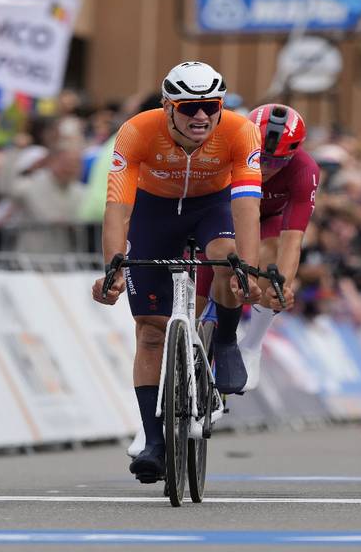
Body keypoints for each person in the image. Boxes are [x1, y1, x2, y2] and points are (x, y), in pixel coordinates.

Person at [91, 61, 263, 484]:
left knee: (226, 255)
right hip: (155, 213)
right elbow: (117, 207)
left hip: (213, 208)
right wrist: (113, 265)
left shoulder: (241, 132)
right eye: (189, 108)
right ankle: (153, 442)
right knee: (150, 330)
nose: (201, 116)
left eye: (210, 105)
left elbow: (246, 207)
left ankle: (223, 341)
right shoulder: (137, 130)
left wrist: (250, 270)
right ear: (168, 106)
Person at [197, 103, 318, 390]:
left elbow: (293, 238)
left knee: (271, 265)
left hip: (269, 221)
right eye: (261, 157)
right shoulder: (223, 147)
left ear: (293, 155)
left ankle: (251, 344)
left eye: (276, 163)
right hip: (224, 216)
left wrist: (283, 287)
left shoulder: (305, 170)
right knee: (206, 282)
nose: (264, 168)